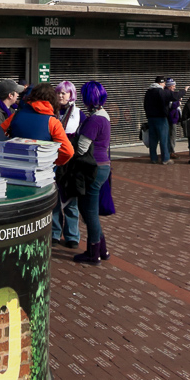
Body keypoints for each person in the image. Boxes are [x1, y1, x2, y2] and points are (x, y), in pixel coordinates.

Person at [70, 81, 114, 266]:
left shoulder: (95, 119)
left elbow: (81, 148)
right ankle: (101, 250)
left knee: (90, 213)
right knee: (91, 211)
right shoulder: (104, 115)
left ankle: (93, 253)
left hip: (93, 168)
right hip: (102, 166)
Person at [8, 83, 75, 164]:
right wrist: (52, 162)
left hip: (14, 165)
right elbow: (68, 152)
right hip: (41, 169)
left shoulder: (16, 115)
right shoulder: (52, 122)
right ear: (53, 100)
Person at [51, 80, 81, 247]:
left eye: (64, 93)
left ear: (71, 95)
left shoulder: (79, 114)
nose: (61, 95)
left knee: (71, 200)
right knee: (54, 199)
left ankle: (72, 236)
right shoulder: (51, 113)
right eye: (58, 92)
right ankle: (55, 233)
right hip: (54, 162)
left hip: (71, 163)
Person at [142, 75, 172, 165]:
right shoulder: (160, 92)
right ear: (160, 83)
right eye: (164, 83)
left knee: (153, 139)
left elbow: (145, 105)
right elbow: (165, 103)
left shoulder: (148, 92)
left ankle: (153, 158)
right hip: (161, 118)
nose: (164, 85)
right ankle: (165, 158)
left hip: (151, 118)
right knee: (164, 139)